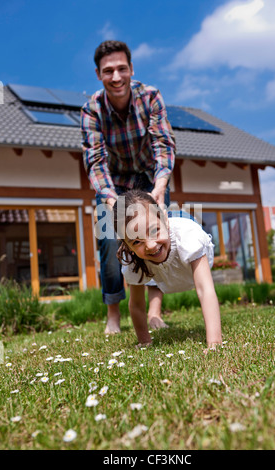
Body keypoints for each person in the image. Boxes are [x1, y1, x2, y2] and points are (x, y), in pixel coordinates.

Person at [80, 40, 176, 334]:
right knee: (109, 244)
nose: (117, 76)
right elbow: (95, 160)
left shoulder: (150, 97)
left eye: (122, 68)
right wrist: (111, 203)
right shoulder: (91, 110)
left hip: (151, 179)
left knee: (154, 240)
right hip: (114, 184)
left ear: (131, 69)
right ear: (99, 74)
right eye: (109, 71)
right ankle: (113, 315)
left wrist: (160, 186)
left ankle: (154, 313)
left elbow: (163, 142)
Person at [113, 189, 222, 349]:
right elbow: (136, 305)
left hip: (183, 231)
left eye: (153, 231)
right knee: (149, 252)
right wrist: (144, 341)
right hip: (164, 264)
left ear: (165, 218)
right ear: (127, 245)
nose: (150, 245)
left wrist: (214, 343)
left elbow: (205, 290)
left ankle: (159, 210)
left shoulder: (189, 236)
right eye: (136, 242)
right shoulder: (132, 260)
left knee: (180, 225)